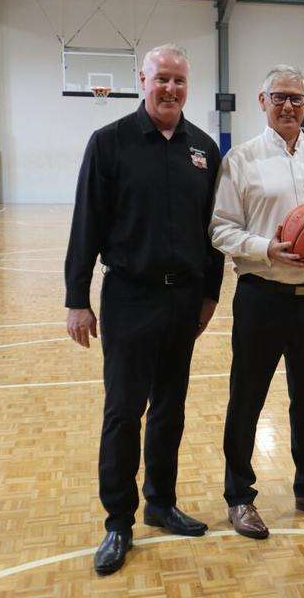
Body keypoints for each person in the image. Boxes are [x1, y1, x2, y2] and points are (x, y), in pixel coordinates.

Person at [64, 44, 224, 575]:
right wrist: (76, 299)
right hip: (130, 297)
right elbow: (85, 223)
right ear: (142, 80)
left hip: (184, 300)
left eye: (180, 80)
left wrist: (209, 294)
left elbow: (213, 231)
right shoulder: (109, 143)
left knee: (170, 409)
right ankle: (118, 521)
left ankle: (160, 501)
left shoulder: (203, 148)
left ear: (188, 85)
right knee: (123, 412)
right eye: (162, 79)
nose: (171, 89)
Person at [209, 65, 304, 538]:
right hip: (261, 295)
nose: (288, 105)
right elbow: (220, 228)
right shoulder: (241, 159)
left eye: (296, 98)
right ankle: (238, 496)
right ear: (262, 100)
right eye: (279, 97)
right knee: (246, 398)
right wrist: (265, 248)